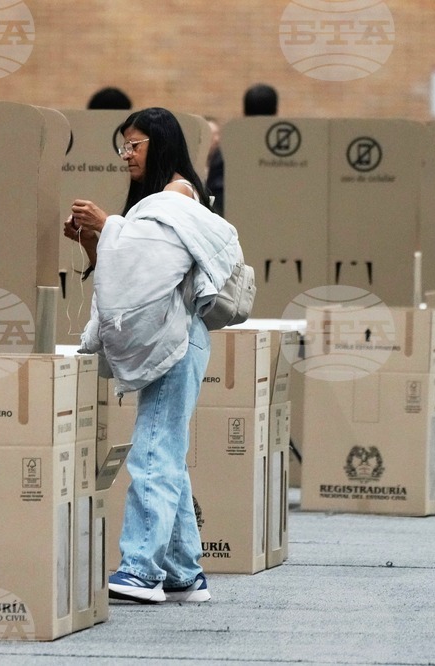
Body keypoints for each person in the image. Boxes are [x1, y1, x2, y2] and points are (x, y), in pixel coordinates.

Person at [63, 108, 241, 604]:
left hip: (179, 340)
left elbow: (155, 269)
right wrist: (98, 239)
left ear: (159, 145)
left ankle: (141, 570)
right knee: (166, 453)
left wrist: (109, 225)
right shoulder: (161, 204)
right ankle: (185, 574)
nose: (127, 155)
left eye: (135, 145)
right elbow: (128, 272)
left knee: (152, 451)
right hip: (176, 338)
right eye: (123, 146)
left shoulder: (177, 197)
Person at [206, 83, 279, 216]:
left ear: (245, 111)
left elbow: (216, 193)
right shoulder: (281, 152)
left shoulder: (229, 149)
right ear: (275, 111)